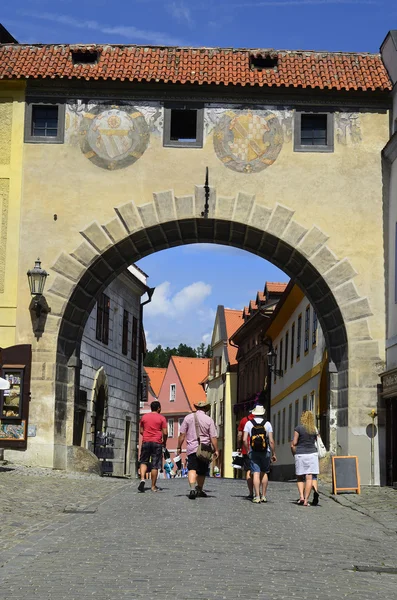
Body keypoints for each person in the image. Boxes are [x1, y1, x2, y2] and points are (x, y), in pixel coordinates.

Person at [177, 400, 219, 500]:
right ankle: (199, 489)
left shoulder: (188, 418)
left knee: (192, 468)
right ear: (205, 409)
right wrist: (216, 449)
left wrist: (179, 446)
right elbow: (213, 436)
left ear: (196, 408)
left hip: (192, 448)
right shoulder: (209, 420)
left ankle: (192, 489)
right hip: (204, 449)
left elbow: (182, 434)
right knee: (202, 471)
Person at [243, 405, 276, 504]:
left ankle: (257, 496)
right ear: (263, 413)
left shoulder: (249, 423)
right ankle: (264, 496)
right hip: (265, 451)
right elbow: (271, 441)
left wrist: (248, 449)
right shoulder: (267, 424)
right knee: (265, 472)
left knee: (255, 473)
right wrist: (273, 453)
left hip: (254, 451)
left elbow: (244, 439)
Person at [291, 410, 320, 506]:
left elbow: (294, 443)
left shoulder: (298, 428)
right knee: (309, 478)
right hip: (312, 454)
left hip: (301, 454)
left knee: (300, 477)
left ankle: (301, 497)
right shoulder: (314, 429)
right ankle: (307, 500)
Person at [138, 400, 168, 493]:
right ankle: (153, 486)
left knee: (143, 461)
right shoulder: (161, 418)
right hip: (157, 442)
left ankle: (142, 479)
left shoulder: (144, 417)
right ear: (159, 408)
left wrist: (147, 436)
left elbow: (141, 431)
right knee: (155, 465)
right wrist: (164, 441)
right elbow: (165, 432)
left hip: (146, 441)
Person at [237, 409, 255, 499]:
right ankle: (259, 493)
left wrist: (239, 446)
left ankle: (251, 492)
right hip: (260, 449)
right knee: (258, 470)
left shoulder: (244, 420)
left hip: (246, 448)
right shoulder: (264, 421)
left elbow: (240, 435)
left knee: (248, 470)